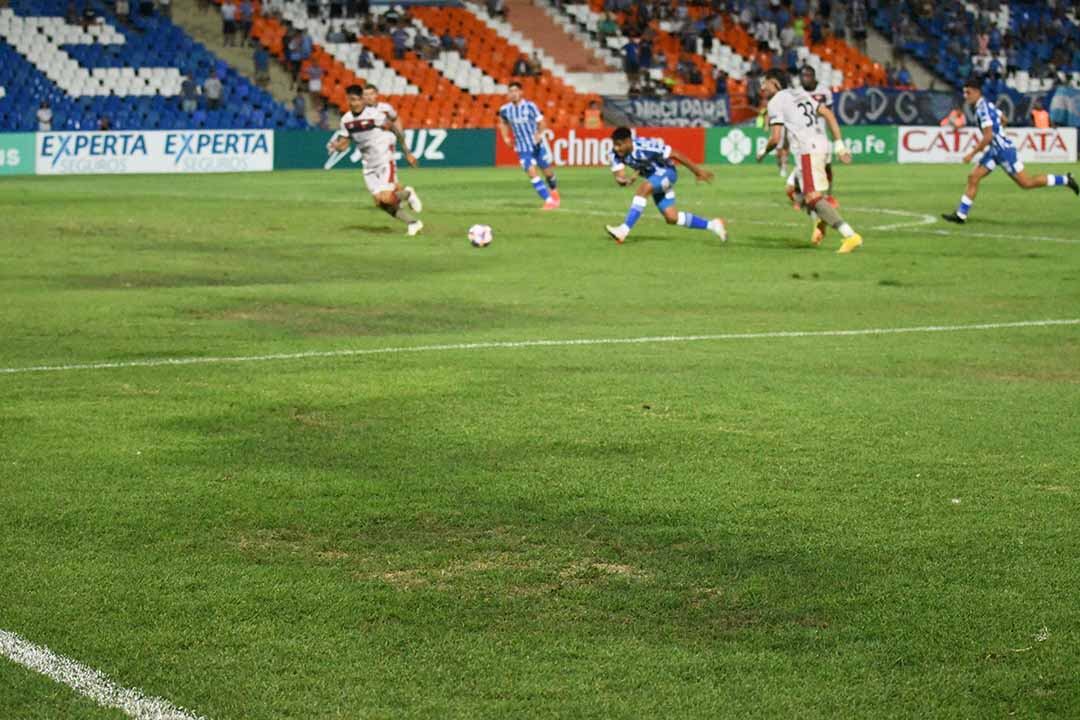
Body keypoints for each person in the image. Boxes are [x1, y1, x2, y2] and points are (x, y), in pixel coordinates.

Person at [943, 77, 1078, 224]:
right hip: (994, 151)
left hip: (1003, 151)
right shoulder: (987, 105)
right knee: (973, 177)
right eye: (964, 93)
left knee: (1026, 183)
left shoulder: (983, 110)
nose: (966, 96)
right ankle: (961, 215)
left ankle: (1065, 179)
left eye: (968, 92)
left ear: (976, 92)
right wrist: (998, 133)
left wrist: (971, 154)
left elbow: (988, 136)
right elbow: (1005, 119)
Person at [756, 69, 862, 254]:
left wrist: (763, 152)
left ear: (774, 82)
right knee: (794, 190)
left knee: (812, 197)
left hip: (807, 150)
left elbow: (775, 138)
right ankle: (821, 219)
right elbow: (828, 114)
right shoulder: (800, 93)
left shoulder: (775, 102)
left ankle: (850, 235)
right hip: (821, 143)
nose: (762, 87)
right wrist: (839, 145)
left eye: (765, 83)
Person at [326, 84, 424, 235]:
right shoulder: (346, 120)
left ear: (361, 100)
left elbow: (395, 130)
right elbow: (344, 145)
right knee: (381, 202)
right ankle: (413, 222)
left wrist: (407, 153)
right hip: (368, 165)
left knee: (386, 198)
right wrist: (336, 146)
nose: (353, 103)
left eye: (356, 100)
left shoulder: (374, 115)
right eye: (350, 100)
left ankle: (408, 194)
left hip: (384, 159)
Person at [604, 126, 726, 244]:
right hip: (654, 179)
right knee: (672, 217)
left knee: (643, 189)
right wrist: (623, 180)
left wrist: (697, 171)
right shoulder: (614, 154)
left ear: (628, 141)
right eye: (614, 144)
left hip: (668, 173)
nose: (616, 148)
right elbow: (620, 176)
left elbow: (675, 154)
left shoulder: (645, 146)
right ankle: (713, 225)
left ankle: (623, 230)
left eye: (619, 144)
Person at [497, 81, 560, 210]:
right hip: (522, 147)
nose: (513, 94)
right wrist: (505, 137)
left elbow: (542, 122)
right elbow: (502, 123)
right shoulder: (505, 109)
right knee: (531, 172)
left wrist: (539, 133)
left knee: (548, 172)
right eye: (511, 91)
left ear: (521, 92)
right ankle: (548, 201)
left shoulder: (530, 106)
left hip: (536, 145)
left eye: (515, 91)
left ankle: (554, 191)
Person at [784, 64, 836, 207]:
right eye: (802, 76)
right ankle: (802, 196)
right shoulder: (796, 93)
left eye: (807, 75)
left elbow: (830, 114)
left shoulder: (825, 92)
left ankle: (828, 196)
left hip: (822, 136)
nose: (804, 78)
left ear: (814, 77)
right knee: (804, 168)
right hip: (804, 137)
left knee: (827, 166)